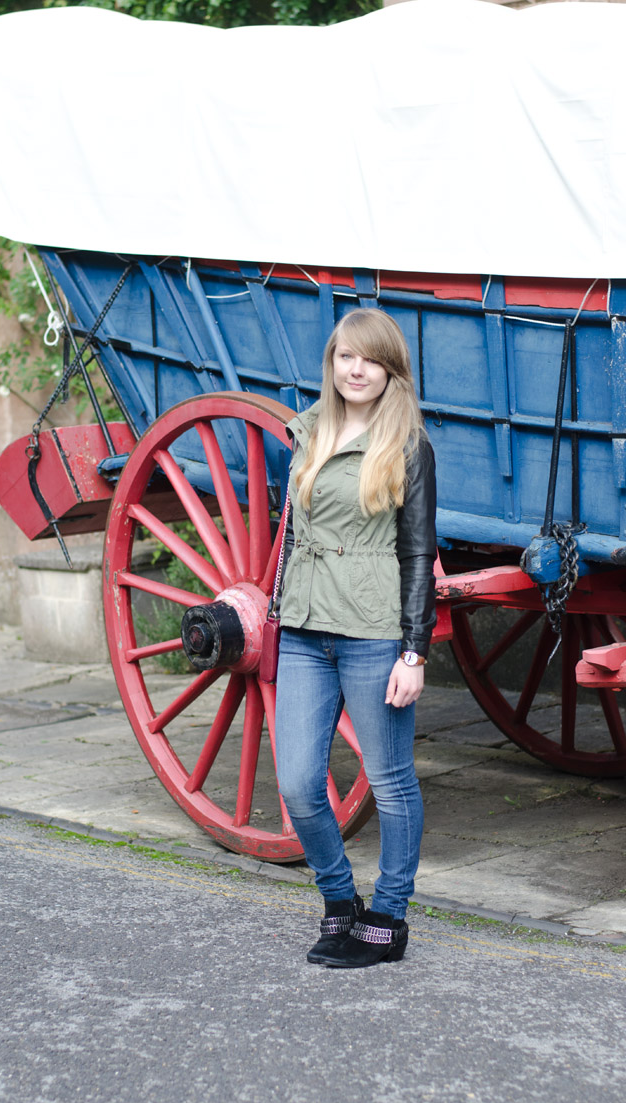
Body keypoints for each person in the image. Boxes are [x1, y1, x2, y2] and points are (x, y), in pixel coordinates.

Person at [274, 307, 437, 969]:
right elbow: (293, 532)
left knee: (391, 781)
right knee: (298, 784)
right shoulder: (309, 430)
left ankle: (388, 918)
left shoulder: (408, 445)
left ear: (390, 368)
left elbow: (421, 554)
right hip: (304, 632)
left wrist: (415, 651)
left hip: (373, 635)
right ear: (333, 362)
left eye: (370, 359)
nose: (357, 369)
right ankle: (339, 901)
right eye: (346, 356)